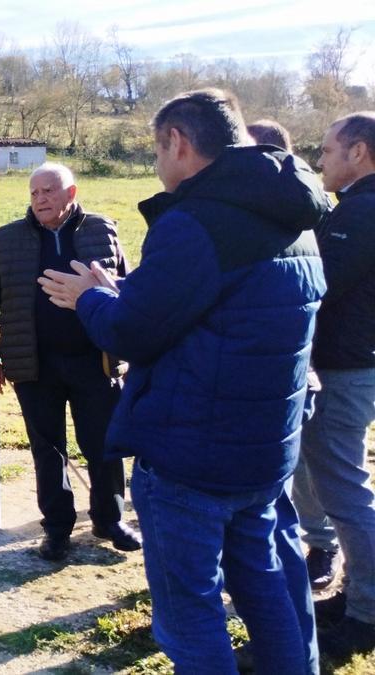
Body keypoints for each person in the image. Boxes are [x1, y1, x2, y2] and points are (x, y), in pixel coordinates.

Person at [39, 89, 327, 673]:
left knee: (189, 608)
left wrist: (91, 299)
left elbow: (134, 333)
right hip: (264, 449)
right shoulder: (292, 215)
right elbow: (215, 310)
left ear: (179, 142)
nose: (157, 165)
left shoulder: (196, 221)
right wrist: (124, 292)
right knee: (267, 587)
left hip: (192, 455)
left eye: (156, 150)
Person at [0, 162, 139, 561]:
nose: (40, 199)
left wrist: (131, 347)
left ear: (71, 193)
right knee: (48, 450)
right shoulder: (9, 239)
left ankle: (109, 519)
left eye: (49, 191)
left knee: (103, 445)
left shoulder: (103, 230)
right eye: (34, 193)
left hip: (95, 362)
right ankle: (57, 529)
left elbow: (130, 292)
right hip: (34, 366)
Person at [247, 119, 341, 593]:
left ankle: (319, 545)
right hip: (286, 354)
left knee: (306, 462)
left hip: (309, 355)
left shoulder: (307, 208)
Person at [301, 111, 375, 660]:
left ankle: (368, 612)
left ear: (359, 152)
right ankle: (359, 598)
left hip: (345, 368)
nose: (321, 159)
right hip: (353, 361)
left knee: (345, 493)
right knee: (341, 489)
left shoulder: (362, 212)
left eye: (328, 150)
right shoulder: (358, 208)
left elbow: (318, 283)